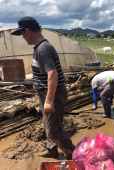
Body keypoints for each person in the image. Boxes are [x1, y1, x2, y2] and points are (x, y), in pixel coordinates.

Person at [11, 16, 75, 159]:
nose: (23, 38)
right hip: (48, 92)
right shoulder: (41, 47)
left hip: (53, 93)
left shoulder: (43, 49)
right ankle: (51, 149)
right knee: (47, 123)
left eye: (21, 34)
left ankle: (74, 154)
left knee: (53, 130)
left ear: (27, 31)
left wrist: (48, 100)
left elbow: (52, 73)